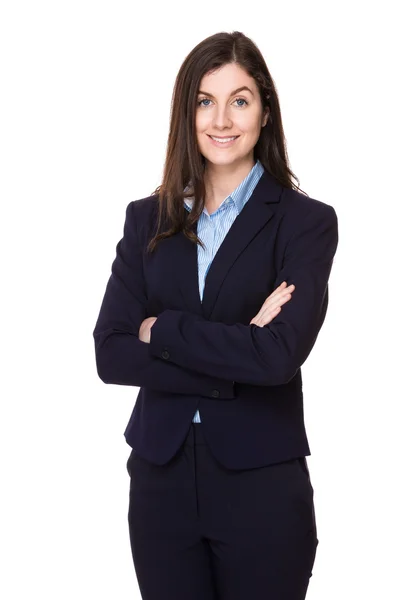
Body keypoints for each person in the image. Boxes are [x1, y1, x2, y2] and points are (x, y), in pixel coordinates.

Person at [92, 30, 338, 600]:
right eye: (205, 100)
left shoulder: (304, 223)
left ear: (265, 111)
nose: (222, 119)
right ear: (187, 113)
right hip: (161, 479)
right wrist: (239, 345)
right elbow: (111, 352)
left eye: (240, 100)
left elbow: (278, 356)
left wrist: (165, 330)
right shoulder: (146, 220)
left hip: (261, 480)